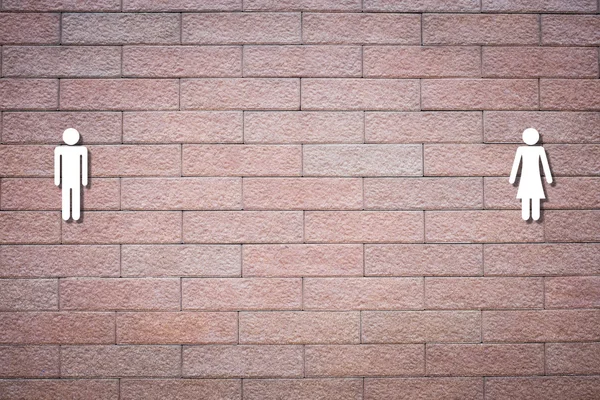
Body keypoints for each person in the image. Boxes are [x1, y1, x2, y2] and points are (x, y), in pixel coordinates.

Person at [509, 128, 552, 221]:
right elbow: (516, 164)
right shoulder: (522, 150)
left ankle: (535, 214)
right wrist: (512, 177)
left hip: (534, 176)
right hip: (527, 176)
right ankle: (526, 214)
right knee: (526, 195)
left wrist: (549, 177)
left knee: (535, 195)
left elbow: (545, 164)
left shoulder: (540, 150)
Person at [55, 128, 88, 221]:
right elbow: (57, 164)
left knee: (76, 194)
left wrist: (84, 179)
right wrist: (57, 179)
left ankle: (76, 214)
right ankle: (66, 214)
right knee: (66, 195)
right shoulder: (60, 150)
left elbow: (84, 165)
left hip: (75, 178)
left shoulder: (82, 150)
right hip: (66, 178)